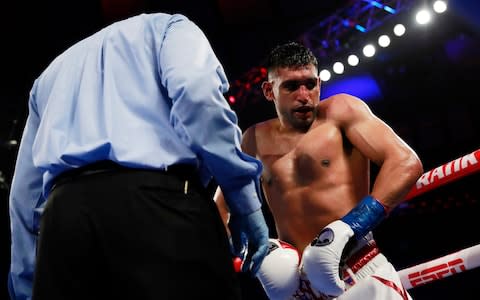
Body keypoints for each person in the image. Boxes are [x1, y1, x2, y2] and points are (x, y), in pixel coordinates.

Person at [8, 12, 270, 300]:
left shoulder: (49, 76)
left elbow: (24, 195)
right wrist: (243, 199)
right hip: (159, 205)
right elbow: (196, 94)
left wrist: (26, 284)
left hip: (64, 219)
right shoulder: (171, 28)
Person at [214, 41, 423, 299]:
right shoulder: (254, 138)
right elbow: (222, 205)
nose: (304, 95)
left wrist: (350, 226)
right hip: (298, 287)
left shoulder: (341, 112)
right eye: (291, 86)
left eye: (310, 84)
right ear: (270, 91)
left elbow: (405, 162)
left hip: (356, 265)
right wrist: (248, 251)